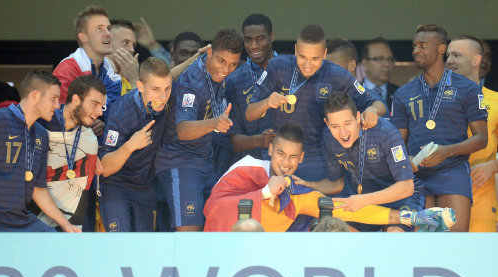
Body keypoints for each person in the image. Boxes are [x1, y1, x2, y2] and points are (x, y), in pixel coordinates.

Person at [204, 123, 456, 232]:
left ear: (301, 158)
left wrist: (411, 217)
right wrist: (264, 193)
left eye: (293, 157)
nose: (285, 163)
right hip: (221, 258)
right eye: (280, 153)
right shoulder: (248, 168)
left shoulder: (295, 190)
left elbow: (342, 208)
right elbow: (213, 208)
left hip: (265, 267)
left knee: (343, 230)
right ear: (270, 150)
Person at [245, 24, 386, 182]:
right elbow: (249, 114)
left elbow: (377, 103)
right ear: (296, 50)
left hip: (316, 159)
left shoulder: (337, 75)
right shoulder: (278, 66)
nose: (307, 64)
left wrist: (372, 111)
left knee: (312, 205)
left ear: (325, 54)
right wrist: (266, 102)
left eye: (315, 58)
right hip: (280, 157)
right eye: (302, 57)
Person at [391, 25, 488, 232]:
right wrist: (404, 159)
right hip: (416, 175)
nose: (416, 50)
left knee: (454, 246)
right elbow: (397, 141)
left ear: (441, 49)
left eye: (423, 45)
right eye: (414, 45)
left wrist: (447, 151)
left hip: (452, 171)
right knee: (420, 246)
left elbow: (481, 138)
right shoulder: (403, 93)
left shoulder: (468, 88)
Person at [0, 70, 80, 232]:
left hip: (22, 220)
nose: (57, 106)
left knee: (57, 242)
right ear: (35, 96)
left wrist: (65, 224)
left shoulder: (42, 135)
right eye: (54, 99)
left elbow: (38, 189)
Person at [299, 91, 425, 232]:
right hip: (360, 201)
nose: (343, 133)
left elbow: (407, 187)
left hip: (398, 198)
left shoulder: (385, 132)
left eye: (347, 123)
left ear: (358, 117)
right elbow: (337, 184)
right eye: (335, 126)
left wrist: (364, 200)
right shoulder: (329, 138)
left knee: (394, 237)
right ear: (326, 123)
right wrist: (307, 185)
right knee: (335, 232)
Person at [155, 29, 243, 231]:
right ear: (209, 52)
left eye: (233, 64)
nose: (226, 69)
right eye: (221, 61)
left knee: (212, 228)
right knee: (190, 234)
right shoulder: (192, 83)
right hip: (180, 163)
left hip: (203, 162)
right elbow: (183, 130)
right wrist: (214, 123)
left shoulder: (217, 75)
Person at [100, 58, 172, 232]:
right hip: (116, 187)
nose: (163, 97)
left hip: (146, 187)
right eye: (155, 90)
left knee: (145, 249)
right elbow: (105, 167)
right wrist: (131, 145)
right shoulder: (120, 111)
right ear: (140, 86)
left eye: (167, 88)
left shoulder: (168, 103)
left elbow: (177, 72)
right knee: (119, 245)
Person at [34, 75, 106, 230]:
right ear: (76, 100)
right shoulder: (40, 123)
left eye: (102, 106)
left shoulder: (89, 140)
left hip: (74, 226)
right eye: (94, 104)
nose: (100, 112)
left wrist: (92, 157)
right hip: (35, 221)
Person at [446, 35, 498, 232]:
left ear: (477, 61)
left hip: (482, 201)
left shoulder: (495, 100)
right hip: (440, 199)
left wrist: (492, 165)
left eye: (457, 55)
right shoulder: (432, 100)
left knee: (480, 262)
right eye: (448, 55)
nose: (449, 60)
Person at [53, 5, 120, 136]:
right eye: (99, 29)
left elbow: (116, 114)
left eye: (108, 28)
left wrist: (104, 124)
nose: (107, 33)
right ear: (83, 37)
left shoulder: (111, 74)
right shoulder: (66, 70)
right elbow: (56, 116)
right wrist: (85, 125)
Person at [226, 13, 277, 166]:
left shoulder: (291, 70)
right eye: (248, 40)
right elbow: (233, 140)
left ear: (272, 37)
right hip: (250, 164)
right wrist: (260, 141)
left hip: (290, 164)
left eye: (260, 38)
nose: (254, 46)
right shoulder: (234, 80)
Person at [361, 37, 398, 110]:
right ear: (365, 64)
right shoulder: (353, 93)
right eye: (379, 59)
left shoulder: (400, 94)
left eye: (390, 59)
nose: (387, 64)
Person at [108, 19, 139, 95]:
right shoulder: (89, 72)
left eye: (134, 45)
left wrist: (134, 80)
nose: (132, 50)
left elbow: (132, 106)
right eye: (125, 43)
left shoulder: (129, 78)